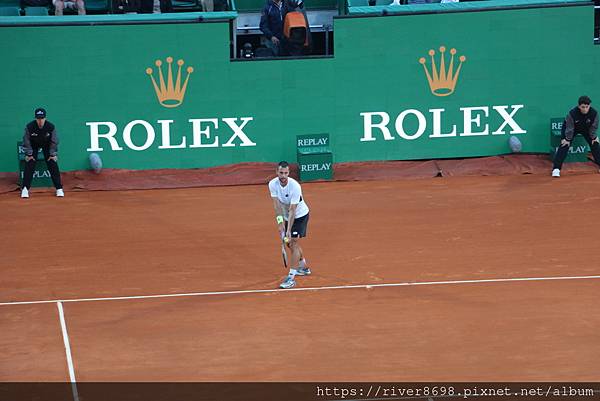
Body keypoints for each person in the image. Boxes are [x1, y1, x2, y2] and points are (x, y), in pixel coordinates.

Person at [268, 161, 311, 289]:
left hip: (300, 216)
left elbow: (293, 209)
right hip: (287, 216)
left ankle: (291, 278)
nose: (283, 176)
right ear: (277, 172)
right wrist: (280, 222)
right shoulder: (272, 184)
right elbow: (277, 205)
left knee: (293, 242)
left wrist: (288, 230)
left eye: (286, 173)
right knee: (289, 243)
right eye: (281, 173)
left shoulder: (295, 186)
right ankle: (304, 267)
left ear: (288, 173)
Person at [21, 108, 64, 198]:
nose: (40, 121)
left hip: (47, 145)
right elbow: (26, 141)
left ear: (45, 118)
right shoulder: (29, 127)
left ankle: (59, 188)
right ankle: (25, 189)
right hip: (33, 145)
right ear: (35, 118)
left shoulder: (51, 127)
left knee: (52, 162)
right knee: (30, 162)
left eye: (42, 118)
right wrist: (29, 154)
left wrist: (52, 154)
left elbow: (54, 141)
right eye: (38, 118)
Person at [552, 95, 599, 178]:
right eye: (583, 107)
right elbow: (569, 128)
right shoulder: (572, 113)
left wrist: (593, 137)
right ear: (579, 106)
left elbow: (593, 127)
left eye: (587, 107)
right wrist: (567, 139)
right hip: (571, 128)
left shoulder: (594, 113)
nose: (585, 109)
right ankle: (556, 169)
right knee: (564, 145)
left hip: (586, 129)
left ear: (589, 106)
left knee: (595, 144)